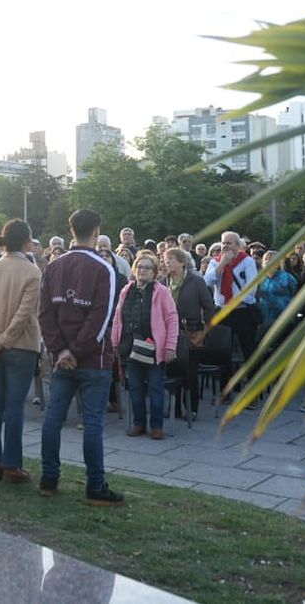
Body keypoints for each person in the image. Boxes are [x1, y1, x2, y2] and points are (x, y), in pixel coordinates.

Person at [37, 209, 123, 506]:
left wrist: (60, 350)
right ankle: (95, 487)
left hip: (62, 359)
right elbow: (100, 319)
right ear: (97, 231)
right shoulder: (104, 268)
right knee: (93, 423)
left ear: (70, 230)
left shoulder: (53, 265)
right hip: (93, 361)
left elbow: (45, 315)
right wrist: (74, 351)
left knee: (53, 419)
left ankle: (49, 479)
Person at [0, 219, 42, 484]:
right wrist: (2, 341)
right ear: (26, 242)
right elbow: (24, 314)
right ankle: (11, 464)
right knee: (14, 405)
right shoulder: (32, 272)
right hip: (21, 346)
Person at [113, 252, 179, 438]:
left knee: (156, 388)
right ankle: (139, 423)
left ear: (155, 273)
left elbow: (172, 319)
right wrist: (115, 342)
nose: (142, 270)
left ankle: (156, 426)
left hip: (154, 348)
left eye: (147, 268)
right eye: (139, 267)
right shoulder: (126, 290)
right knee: (135, 388)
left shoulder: (162, 292)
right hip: (130, 347)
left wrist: (170, 347)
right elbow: (118, 318)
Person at [162, 246, 215, 419]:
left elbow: (209, 307)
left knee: (190, 372)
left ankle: (192, 408)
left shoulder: (196, 281)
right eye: (165, 259)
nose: (166, 262)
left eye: (170, 259)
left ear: (182, 262)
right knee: (173, 370)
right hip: (170, 333)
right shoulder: (163, 282)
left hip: (191, 332)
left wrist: (205, 331)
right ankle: (175, 409)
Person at [203, 231, 260, 375]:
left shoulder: (247, 261)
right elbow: (207, 282)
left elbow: (251, 288)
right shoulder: (215, 261)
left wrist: (235, 302)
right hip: (222, 311)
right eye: (223, 243)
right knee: (223, 351)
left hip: (242, 312)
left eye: (229, 243)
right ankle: (226, 387)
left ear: (237, 245)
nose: (225, 246)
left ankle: (252, 384)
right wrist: (222, 263)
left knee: (248, 349)